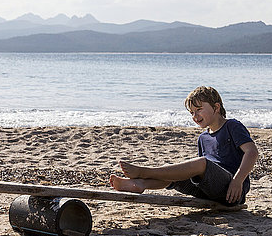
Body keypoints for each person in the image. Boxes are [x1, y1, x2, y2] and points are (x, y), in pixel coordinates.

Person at [110, 86, 259, 206]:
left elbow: (252, 152)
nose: (195, 116)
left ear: (216, 107)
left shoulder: (232, 126)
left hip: (232, 190)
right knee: (176, 172)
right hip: (208, 191)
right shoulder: (203, 138)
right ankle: (140, 183)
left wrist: (238, 180)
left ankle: (144, 172)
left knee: (201, 163)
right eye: (192, 113)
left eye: (199, 110)